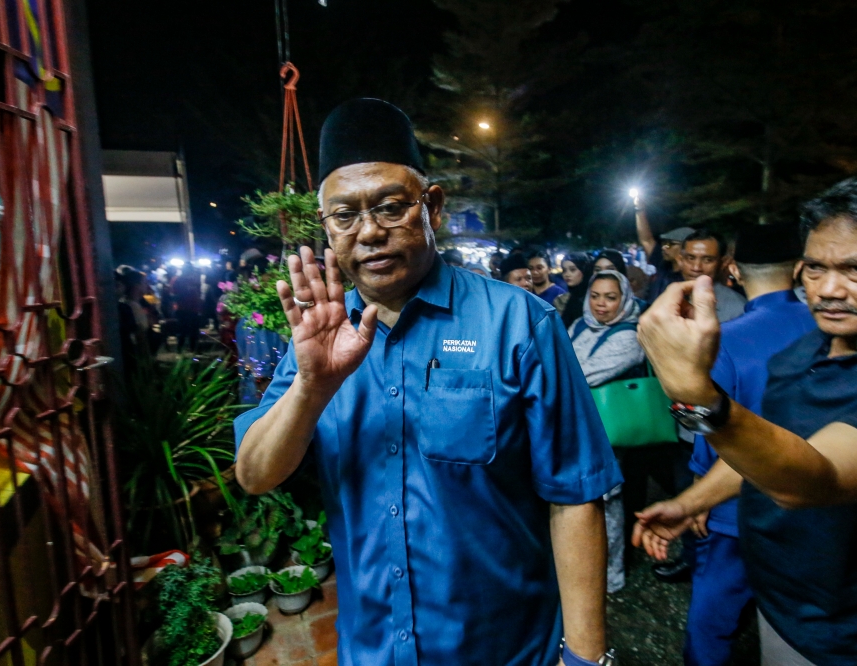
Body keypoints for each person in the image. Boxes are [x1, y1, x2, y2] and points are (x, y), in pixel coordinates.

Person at [234, 98, 622, 666]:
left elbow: (575, 498)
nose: (369, 233)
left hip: (504, 647)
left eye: (390, 207)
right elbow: (255, 474)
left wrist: (585, 658)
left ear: (432, 207)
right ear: (327, 227)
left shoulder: (518, 324)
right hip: (372, 649)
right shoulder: (318, 337)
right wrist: (311, 388)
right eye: (344, 216)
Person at [636, 173, 857, 666]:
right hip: (784, 613)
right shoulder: (804, 348)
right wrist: (692, 501)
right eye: (815, 268)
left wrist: (694, 392)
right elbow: (771, 444)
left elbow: (813, 478)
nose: (828, 290)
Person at [633, 222, 815, 666]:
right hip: (811, 498)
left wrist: (697, 496)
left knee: (711, 624)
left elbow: (704, 427)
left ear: (732, 269)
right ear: (799, 268)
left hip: (737, 508)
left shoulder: (726, 341)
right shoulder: (827, 328)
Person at [568, 270, 646, 596]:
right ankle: (578, 569)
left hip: (604, 431)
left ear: (624, 299)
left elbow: (578, 374)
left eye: (611, 297)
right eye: (596, 295)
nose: (601, 304)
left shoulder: (630, 336)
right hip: (573, 426)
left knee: (606, 501)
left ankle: (610, 576)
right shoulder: (579, 325)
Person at [632, 191, 692, 301]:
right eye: (664, 243)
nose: (664, 247)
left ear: (686, 248)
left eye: (670, 244)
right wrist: (639, 209)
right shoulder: (663, 265)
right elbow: (646, 240)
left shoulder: (691, 277)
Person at [679, 229, 746, 322]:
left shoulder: (737, 309)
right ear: (680, 260)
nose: (696, 267)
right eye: (690, 258)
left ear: (723, 263)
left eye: (707, 260)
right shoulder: (673, 299)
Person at [554, 253, 594, 329]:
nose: (567, 274)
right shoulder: (567, 298)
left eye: (572, 270)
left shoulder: (592, 298)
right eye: (564, 270)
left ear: (584, 270)